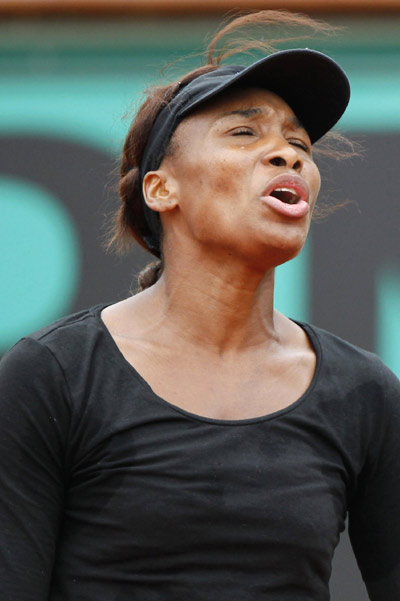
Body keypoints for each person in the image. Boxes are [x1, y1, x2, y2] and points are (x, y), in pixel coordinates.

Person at [0, 10, 399, 601]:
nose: (288, 155)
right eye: (245, 133)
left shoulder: (367, 393)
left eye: (298, 144)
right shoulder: (50, 376)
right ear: (162, 189)